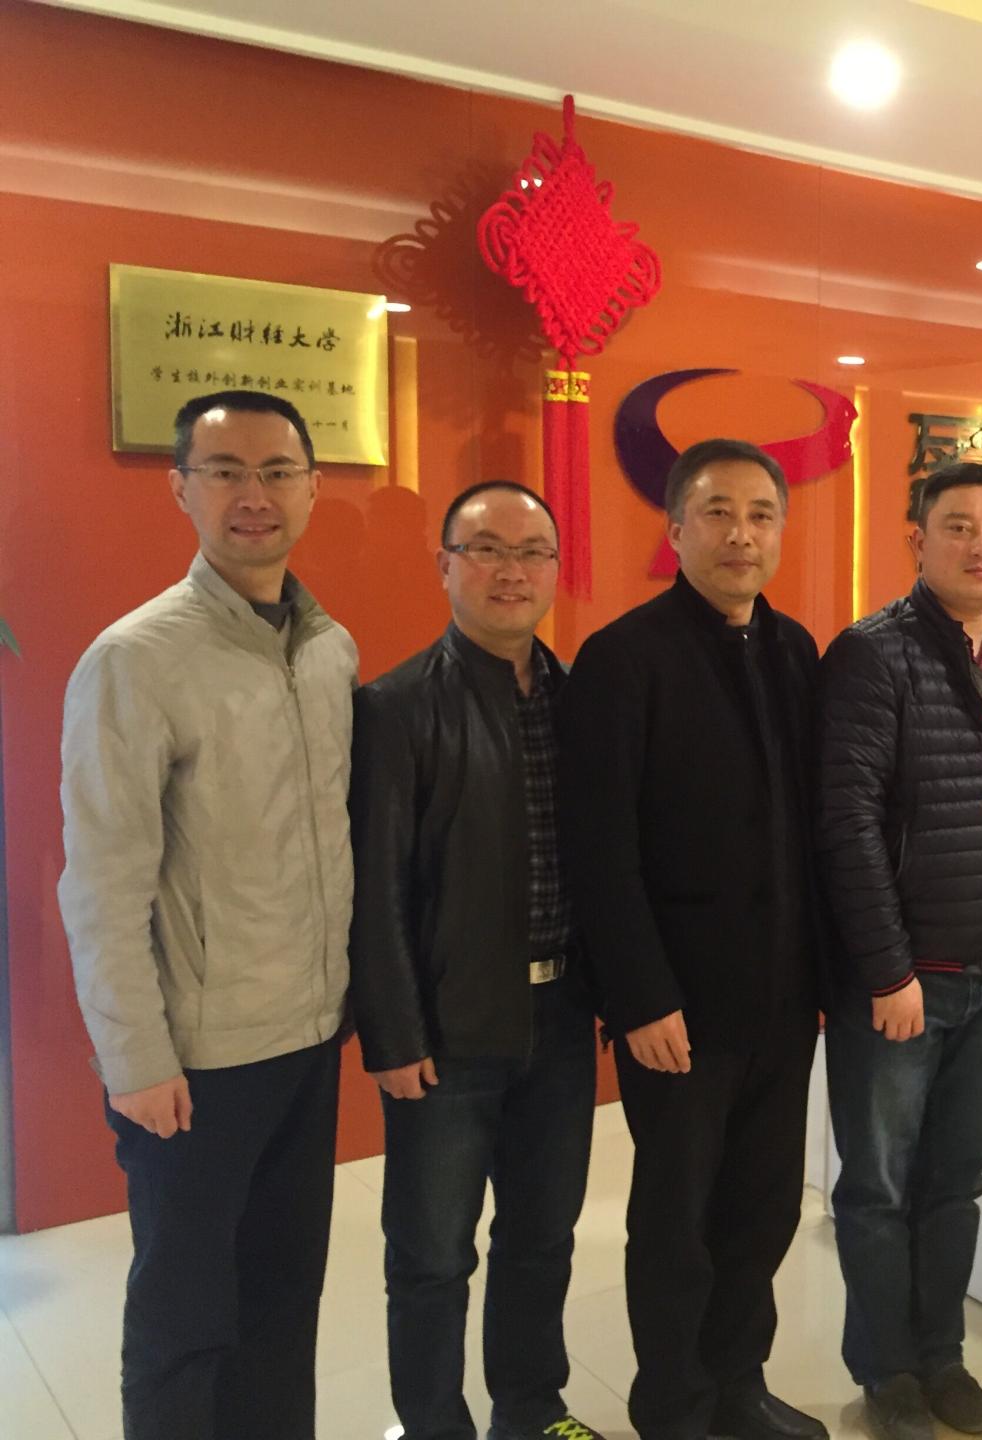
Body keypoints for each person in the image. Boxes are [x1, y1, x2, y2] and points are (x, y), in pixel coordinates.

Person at [57, 390, 355, 1440]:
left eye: (278, 472)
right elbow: (101, 880)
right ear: (181, 488)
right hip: (195, 1062)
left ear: (312, 489)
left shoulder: (328, 648)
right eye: (225, 471)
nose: (253, 495)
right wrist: (135, 1058)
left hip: (307, 1039)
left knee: (283, 1298)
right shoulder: (135, 660)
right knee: (185, 1319)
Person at [558, 439, 827, 1440]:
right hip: (678, 1008)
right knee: (677, 1222)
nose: (740, 534)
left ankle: (737, 1384)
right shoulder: (625, 658)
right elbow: (599, 849)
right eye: (718, 512)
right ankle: (673, 1406)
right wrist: (639, 998)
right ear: (675, 530)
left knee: (763, 1208)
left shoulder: (795, 651)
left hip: (783, 998)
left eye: (761, 514)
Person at [349, 480, 604, 1440]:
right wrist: (394, 1033)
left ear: (555, 570)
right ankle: (432, 1424)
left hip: (560, 1016)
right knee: (431, 1254)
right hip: (449, 1029)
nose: (511, 571)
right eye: (486, 549)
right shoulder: (397, 705)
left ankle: (531, 1410)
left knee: (542, 1236)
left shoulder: (581, 700)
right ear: (446, 565)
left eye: (533, 552)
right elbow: (374, 887)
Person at [817, 459, 982, 1440]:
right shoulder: (872, 655)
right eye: (959, 526)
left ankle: (944, 1356)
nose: (981, 545)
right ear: (917, 539)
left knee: (957, 1183)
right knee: (878, 1188)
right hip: (902, 984)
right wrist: (888, 970)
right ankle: (888, 1373)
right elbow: (847, 822)